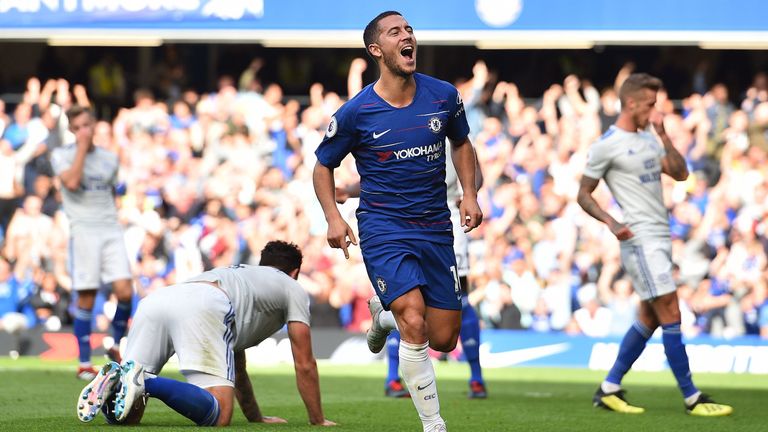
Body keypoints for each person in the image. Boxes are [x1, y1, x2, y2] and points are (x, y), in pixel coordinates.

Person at [313, 11, 482, 432]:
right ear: (377, 50)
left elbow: (461, 143)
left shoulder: (443, 96)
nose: (407, 36)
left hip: (435, 228)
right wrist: (334, 219)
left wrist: (471, 194)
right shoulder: (356, 113)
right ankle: (433, 423)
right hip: (383, 228)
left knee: (443, 338)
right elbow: (322, 167)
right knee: (413, 316)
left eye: (408, 30)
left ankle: (383, 315)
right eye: (395, 32)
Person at [577, 73, 732, 417]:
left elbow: (680, 174)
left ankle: (609, 388)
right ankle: (692, 397)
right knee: (671, 311)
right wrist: (612, 222)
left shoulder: (649, 136)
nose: (654, 109)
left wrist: (662, 134)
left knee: (649, 317)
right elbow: (583, 194)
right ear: (630, 103)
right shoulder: (607, 145)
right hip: (639, 240)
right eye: (649, 104)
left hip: (661, 237)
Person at [76, 240, 336, 427]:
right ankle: (145, 381)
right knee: (220, 414)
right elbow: (304, 363)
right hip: (206, 302)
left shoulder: (243, 276)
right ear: (295, 273)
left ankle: (121, 378)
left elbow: (237, 365)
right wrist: (317, 419)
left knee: (129, 415)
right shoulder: (291, 286)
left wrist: (255, 416)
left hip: (159, 298)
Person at [336, 142, 487, 399]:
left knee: (458, 301)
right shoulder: (412, 124)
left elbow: (475, 170)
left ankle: (475, 376)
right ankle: (394, 377)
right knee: (403, 298)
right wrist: (348, 191)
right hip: (400, 224)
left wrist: (470, 192)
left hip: (446, 220)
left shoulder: (449, 124)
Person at [51, 105, 133, 380]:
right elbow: (72, 183)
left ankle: (114, 345)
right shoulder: (61, 155)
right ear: (72, 130)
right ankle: (84, 362)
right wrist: (82, 151)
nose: (84, 130)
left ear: (95, 124)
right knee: (86, 296)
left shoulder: (110, 159)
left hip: (110, 229)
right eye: (79, 127)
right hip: (83, 231)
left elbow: (112, 192)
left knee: (125, 291)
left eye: (88, 125)